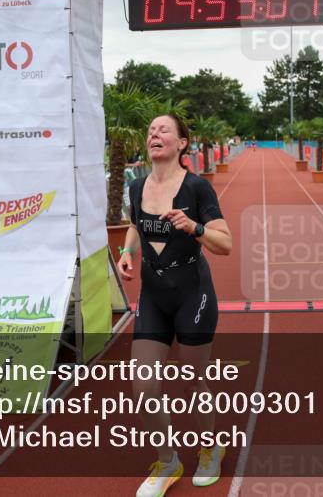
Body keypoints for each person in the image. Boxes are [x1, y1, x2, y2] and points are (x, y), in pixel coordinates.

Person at [117, 114, 232, 497]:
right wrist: (127, 252)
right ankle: (168, 462)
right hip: (153, 295)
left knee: (193, 378)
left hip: (192, 294)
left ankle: (211, 448)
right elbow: (135, 225)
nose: (154, 133)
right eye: (150, 130)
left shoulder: (197, 188)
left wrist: (194, 227)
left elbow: (226, 244)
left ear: (182, 143)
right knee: (143, 385)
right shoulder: (136, 186)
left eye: (163, 129)